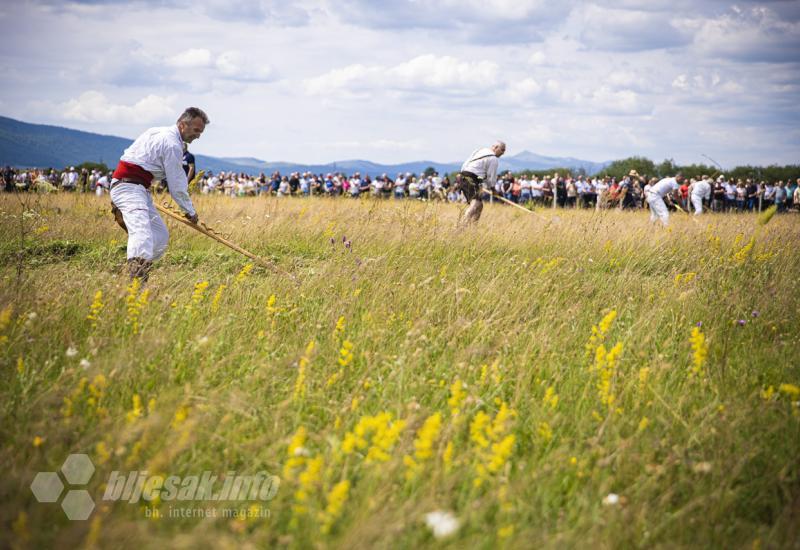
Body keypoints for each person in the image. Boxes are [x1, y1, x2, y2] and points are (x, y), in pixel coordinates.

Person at [109, 107, 208, 281]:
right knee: (142, 233)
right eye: (196, 130)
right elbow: (177, 184)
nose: (198, 135)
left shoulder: (157, 131)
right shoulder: (171, 144)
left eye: (201, 132)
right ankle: (136, 280)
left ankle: (135, 268)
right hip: (127, 187)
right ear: (183, 125)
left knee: (160, 237)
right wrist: (190, 211)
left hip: (140, 189)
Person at [458, 141, 506, 224]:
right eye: (502, 150)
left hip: (464, 176)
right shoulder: (493, 158)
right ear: (495, 147)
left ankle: (473, 228)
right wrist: (493, 189)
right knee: (476, 203)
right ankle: (461, 225)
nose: (503, 153)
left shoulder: (480, 150)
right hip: (470, 178)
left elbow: (467, 164)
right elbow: (491, 177)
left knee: (479, 206)